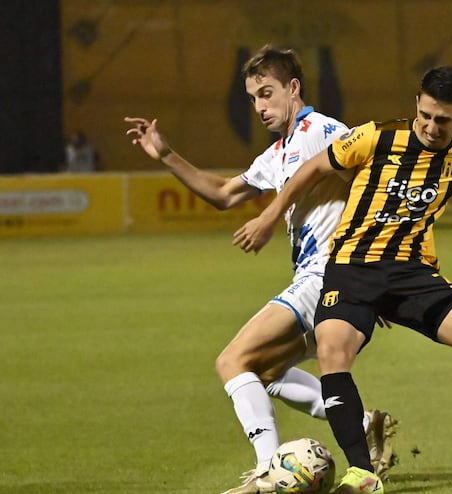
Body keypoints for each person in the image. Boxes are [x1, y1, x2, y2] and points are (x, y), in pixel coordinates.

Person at [232, 66, 452, 493]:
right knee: (333, 350)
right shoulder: (377, 137)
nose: (430, 126)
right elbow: (313, 169)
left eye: (442, 120)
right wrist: (269, 214)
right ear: (417, 105)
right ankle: (362, 472)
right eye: (424, 115)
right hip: (352, 266)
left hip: (411, 272)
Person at [124, 45, 397, 494]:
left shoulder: (322, 132)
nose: (259, 106)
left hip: (328, 277)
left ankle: (268, 473)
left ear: (293, 88)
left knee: (234, 361)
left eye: (266, 93)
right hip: (318, 280)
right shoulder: (279, 152)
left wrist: (374, 273)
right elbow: (224, 194)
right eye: (252, 97)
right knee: (263, 374)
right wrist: (168, 155)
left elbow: (374, 190)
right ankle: (366, 425)